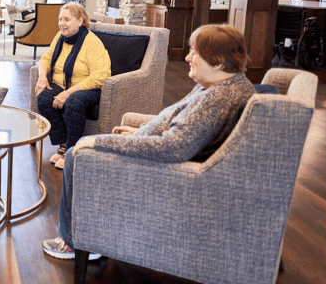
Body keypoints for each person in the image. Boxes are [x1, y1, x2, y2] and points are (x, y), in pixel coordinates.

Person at [41, 24, 256, 261]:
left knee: (75, 155)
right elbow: (178, 123)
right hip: (152, 146)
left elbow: (172, 147)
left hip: (160, 168)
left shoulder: (217, 99)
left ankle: (73, 242)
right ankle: (96, 233)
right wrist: (140, 130)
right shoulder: (219, 85)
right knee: (81, 147)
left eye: (194, 52)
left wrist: (103, 143)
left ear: (216, 60)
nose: (187, 58)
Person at [35, 2, 111, 170]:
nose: (62, 23)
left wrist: (67, 93)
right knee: (43, 98)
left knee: (73, 102)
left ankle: (72, 149)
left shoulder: (91, 42)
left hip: (86, 87)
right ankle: (63, 144)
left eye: (67, 19)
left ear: (80, 20)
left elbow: (100, 77)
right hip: (62, 84)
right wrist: (42, 77)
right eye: (60, 19)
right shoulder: (60, 37)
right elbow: (46, 58)